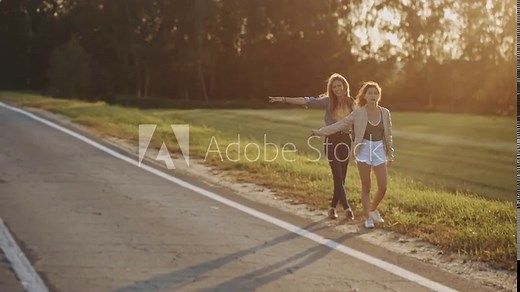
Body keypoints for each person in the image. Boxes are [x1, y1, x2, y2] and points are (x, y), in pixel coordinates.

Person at [269, 73, 355, 221]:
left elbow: (359, 117)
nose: (337, 89)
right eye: (334, 87)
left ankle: (332, 208)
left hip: (345, 141)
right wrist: (283, 99)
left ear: (344, 86)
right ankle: (347, 208)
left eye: (339, 86)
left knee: (342, 176)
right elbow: (306, 100)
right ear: (331, 89)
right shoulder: (328, 101)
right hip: (331, 140)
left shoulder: (351, 102)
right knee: (337, 175)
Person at [311, 81, 394, 228]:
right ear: (365, 96)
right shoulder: (359, 112)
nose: (373, 95)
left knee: (383, 186)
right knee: (366, 185)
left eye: (376, 93)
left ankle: (372, 209)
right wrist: (320, 131)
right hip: (363, 150)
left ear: (379, 96)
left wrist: (390, 154)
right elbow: (339, 125)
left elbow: (388, 135)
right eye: (370, 93)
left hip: (378, 150)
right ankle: (367, 218)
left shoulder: (385, 113)